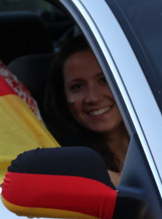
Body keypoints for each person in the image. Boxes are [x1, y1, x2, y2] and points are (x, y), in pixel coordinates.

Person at [43, 35, 130, 185]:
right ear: (63, 97)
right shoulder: (69, 166)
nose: (93, 98)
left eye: (104, 80)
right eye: (77, 87)